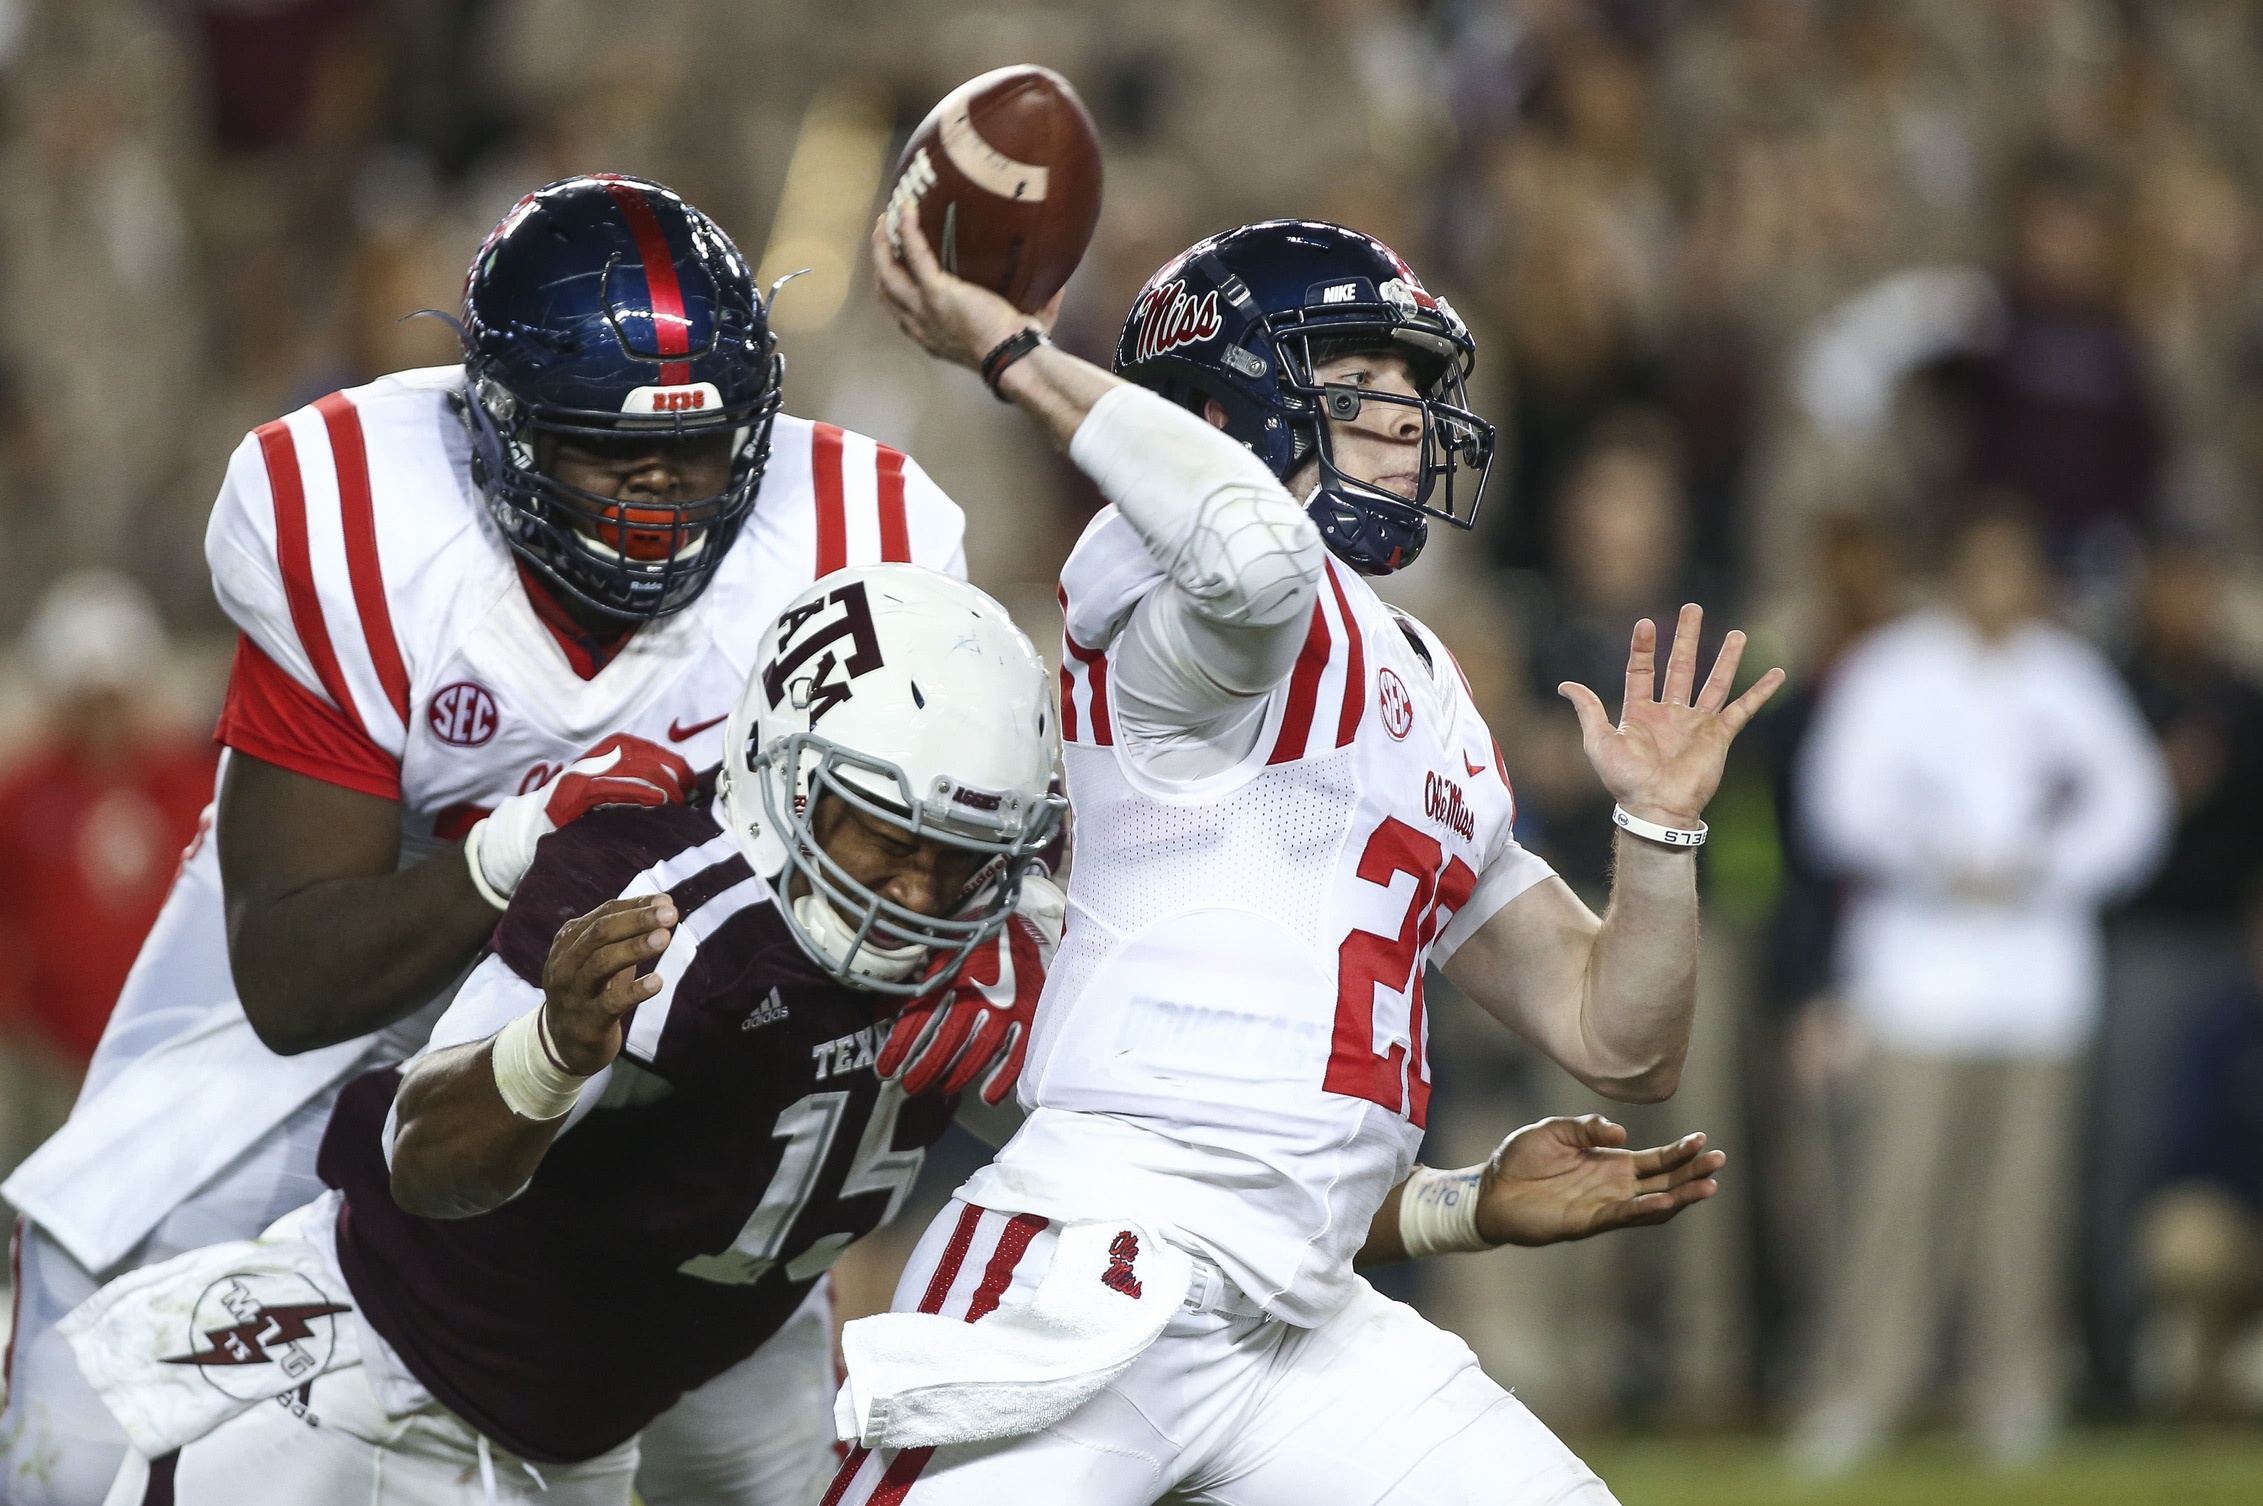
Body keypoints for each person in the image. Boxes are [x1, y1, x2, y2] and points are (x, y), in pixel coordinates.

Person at [77, 567, 1722, 1506]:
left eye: (955, 851)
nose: (912, 886)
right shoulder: (652, 902)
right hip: (357, 1403)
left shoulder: (1006, 949)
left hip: (642, 1409)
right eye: (873, 836)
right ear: (784, 777)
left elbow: (1148, 1180)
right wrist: (551, 1053)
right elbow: (417, 1169)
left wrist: (1454, 1205)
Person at [0, 174, 970, 1506]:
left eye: (695, 452)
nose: (659, 495)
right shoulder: (361, 515)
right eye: (603, 447)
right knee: (67, 1452)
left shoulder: (859, 541)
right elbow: (291, 980)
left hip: (649, 1051)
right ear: (499, 430)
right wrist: (513, 848)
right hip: (331, 1018)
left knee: (760, 1469)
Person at [823, 213, 1777, 1505]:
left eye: (1407, 391)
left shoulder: (1420, 679)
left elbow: (1620, 1040)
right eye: (1355, 389)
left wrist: (1656, 836)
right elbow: (1248, 558)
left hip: (1306, 1310)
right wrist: (1014, 350)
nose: (1403, 422)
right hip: (1094, 1268)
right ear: (1224, 413)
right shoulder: (1178, 609)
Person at [1791, 508, 2171, 1470]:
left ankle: (2016, 1390)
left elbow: (2134, 805)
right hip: (1914, 977)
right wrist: (1934, 861)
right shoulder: (1893, 670)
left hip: (2039, 981)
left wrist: (2049, 867)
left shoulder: (2069, 677)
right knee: (1899, 1199)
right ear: (1954, 572)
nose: (2000, 586)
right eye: (1983, 566)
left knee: (2022, 1205)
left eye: (2016, 569)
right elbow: (1836, 800)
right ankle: (1864, 1390)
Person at [0, 573, 217, 1180]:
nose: (101, 716)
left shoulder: (190, 786)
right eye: (84, 698)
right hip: (54, 1053)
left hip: (175, 1046)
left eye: (113, 696)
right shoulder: (24, 793)